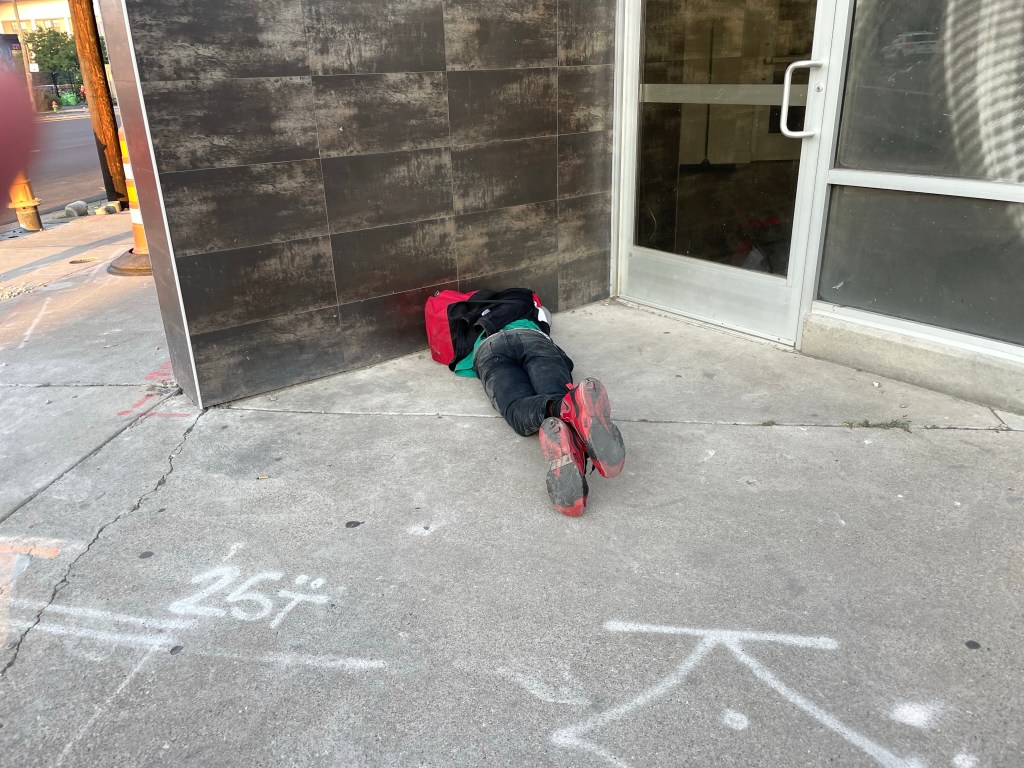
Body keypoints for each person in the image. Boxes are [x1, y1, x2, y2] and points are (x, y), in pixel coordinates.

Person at [447, 288, 625, 517]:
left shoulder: (463, 318)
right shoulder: (526, 303)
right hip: (531, 338)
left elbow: (454, 358)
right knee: (555, 393)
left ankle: (564, 420)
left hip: (489, 349)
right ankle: (568, 409)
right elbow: (545, 318)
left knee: (516, 408)